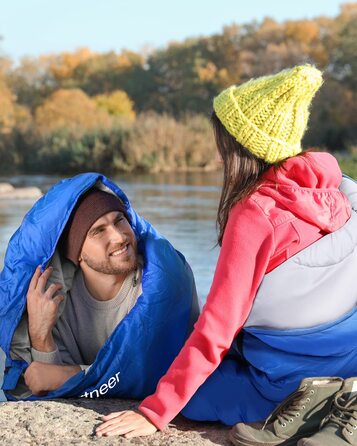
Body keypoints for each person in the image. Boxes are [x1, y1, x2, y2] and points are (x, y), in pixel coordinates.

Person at [95, 64, 357, 440]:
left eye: (225, 147)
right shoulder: (335, 192)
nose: (219, 159)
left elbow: (217, 327)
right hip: (348, 353)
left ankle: (313, 403)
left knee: (190, 395)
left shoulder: (255, 213)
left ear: (245, 149)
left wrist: (155, 413)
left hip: (288, 376)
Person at [1, 175, 199, 400]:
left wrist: (71, 374)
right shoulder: (57, 302)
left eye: (119, 220)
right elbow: (47, 385)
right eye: (98, 231)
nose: (118, 236)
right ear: (78, 254)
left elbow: (151, 371)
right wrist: (40, 334)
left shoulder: (161, 285)